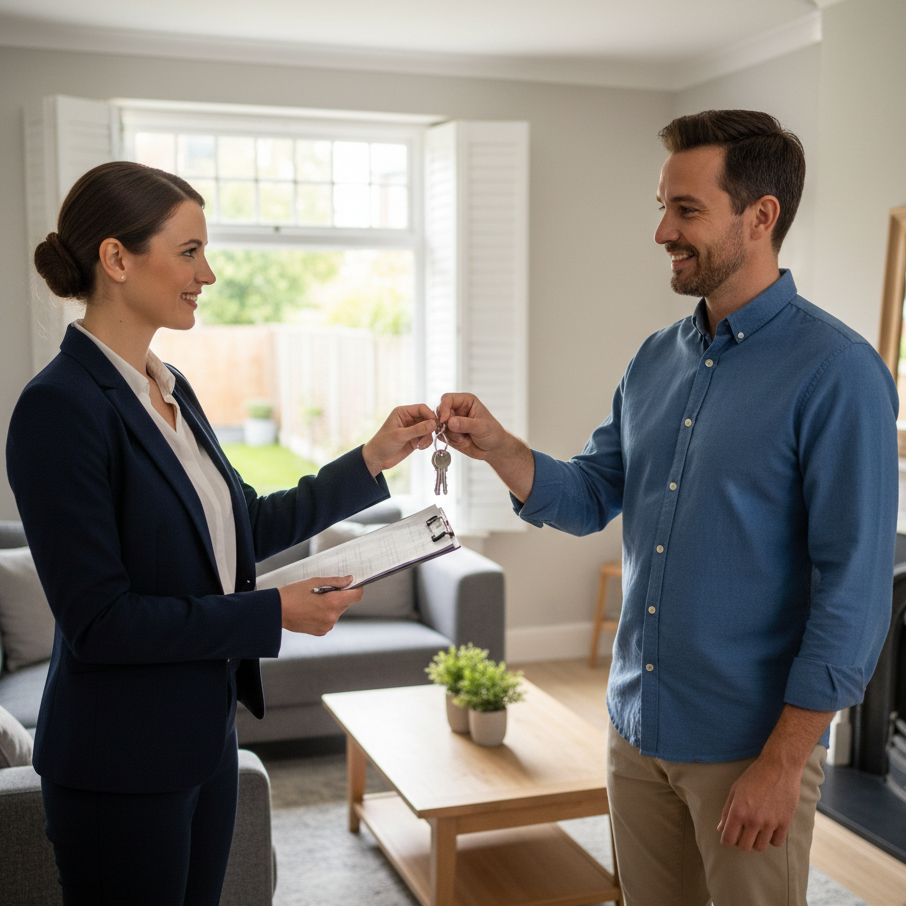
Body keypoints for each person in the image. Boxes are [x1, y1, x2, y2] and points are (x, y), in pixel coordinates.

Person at [436, 110, 899, 905]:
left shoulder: (840, 373)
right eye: (663, 206)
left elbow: (853, 589)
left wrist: (785, 760)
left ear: (761, 217)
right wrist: (502, 448)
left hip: (749, 747)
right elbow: (590, 495)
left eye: (686, 210)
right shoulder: (656, 358)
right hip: (637, 729)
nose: (661, 231)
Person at [5, 160, 438, 906]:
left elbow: (246, 524)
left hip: (205, 741)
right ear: (116, 258)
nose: (208, 273)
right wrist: (274, 613)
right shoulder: (59, 408)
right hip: (119, 766)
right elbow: (99, 623)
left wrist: (371, 459)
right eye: (189, 251)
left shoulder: (170, 390)